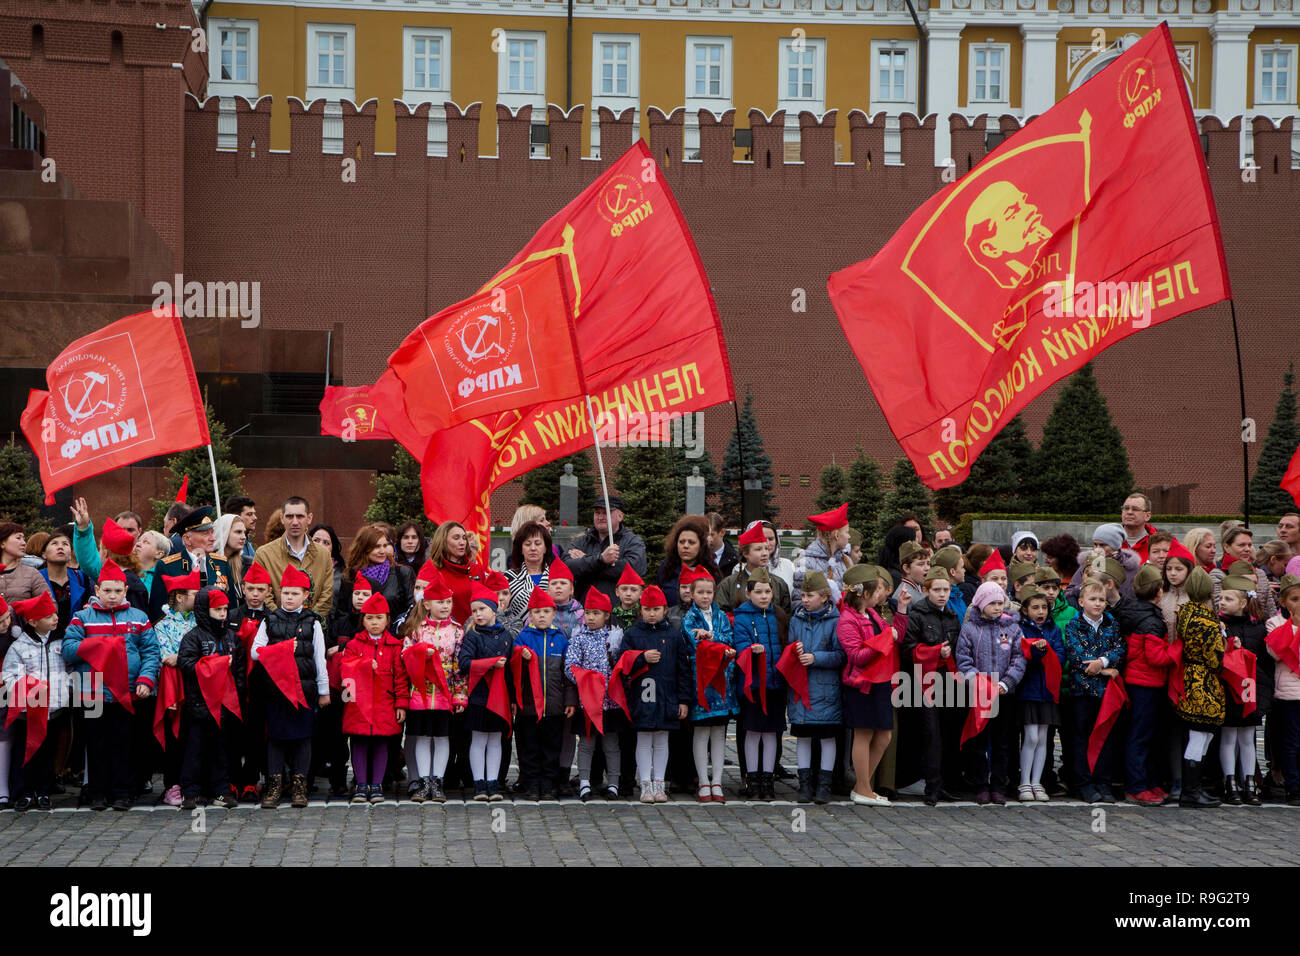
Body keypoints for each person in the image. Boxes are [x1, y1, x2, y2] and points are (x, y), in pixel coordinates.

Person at [62, 561, 160, 811]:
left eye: (118, 591)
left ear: (126, 590)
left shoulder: (139, 618)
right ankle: (97, 792)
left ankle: (123, 793)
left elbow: (151, 652)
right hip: (93, 692)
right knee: (95, 744)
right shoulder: (82, 618)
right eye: (107, 591)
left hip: (128, 693)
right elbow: (68, 650)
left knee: (124, 744)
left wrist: (145, 680)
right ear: (97, 589)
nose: (113, 596)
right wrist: (98, 646)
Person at [250, 565, 329, 810]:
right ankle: (274, 784)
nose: (289, 598)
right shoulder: (269, 620)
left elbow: (319, 657)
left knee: (302, 739)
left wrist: (324, 690)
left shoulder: (313, 622)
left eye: (295, 593)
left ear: (305, 595)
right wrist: (282, 650)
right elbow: (255, 651)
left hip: (303, 690)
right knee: (276, 738)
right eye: (285, 593)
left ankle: (299, 785)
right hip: (276, 690)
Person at [620, 585, 691, 803]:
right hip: (640, 698)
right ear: (641, 610)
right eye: (648, 609)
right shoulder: (632, 634)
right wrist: (641, 657)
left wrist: (684, 700)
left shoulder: (673, 635)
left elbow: (683, 669)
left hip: (666, 697)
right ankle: (645, 783)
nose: (652, 614)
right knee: (642, 739)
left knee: (662, 739)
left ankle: (659, 782)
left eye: (657, 609)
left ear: (665, 610)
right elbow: (623, 664)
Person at [957, 581, 1025, 805]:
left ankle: (998, 784)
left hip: (1004, 695)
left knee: (1001, 742)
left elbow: (1019, 657)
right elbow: (964, 660)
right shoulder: (969, 629)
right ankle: (980, 784)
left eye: (1000, 603)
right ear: (981, 604)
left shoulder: (1012, 628)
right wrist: (979, 682)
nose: (997, 607)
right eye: (992, 603)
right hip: (980, 695)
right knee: (978, 742)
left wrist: (1006, 683)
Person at [3, 592, 73, 811]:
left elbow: (69, 669)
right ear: (33, 621)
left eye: (55, 614)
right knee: (25, 751)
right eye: (48, 615)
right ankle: (23, 791)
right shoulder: (19, 647)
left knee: (48, 751)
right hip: (28, 711)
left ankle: (43, 790)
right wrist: (26, 687)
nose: (55, 618)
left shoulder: (61, 641)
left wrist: (66, 690)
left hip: (53, 709)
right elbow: (9, 675)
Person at [176, 588, 244, 810]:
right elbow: (186, 665)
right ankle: (191, 791)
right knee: (195, 750)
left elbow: (240, 671)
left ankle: (222, 790)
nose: (223, 614)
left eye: (225, 609)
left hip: (225, 706)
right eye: (217, 609)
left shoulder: (233, 637)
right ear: (205, 610)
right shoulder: (193, 637)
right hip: (200, 705)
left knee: (221, 751)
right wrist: (218, 664)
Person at [838, 565, 901, 806]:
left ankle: (861, 785)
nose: (880, 595)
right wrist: (885, 638)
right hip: (861, 684)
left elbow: (895, 636)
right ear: (864, 594)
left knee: (884, 735)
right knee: (863, 735)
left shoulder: (872, 614)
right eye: (876, 591)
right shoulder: (847, 619)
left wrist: (901, 615)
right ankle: (864, 788)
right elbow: (856, 655)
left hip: (880, 681)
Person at [401, 572, 466, 804]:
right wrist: (421, 653)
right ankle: (424, 780)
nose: (445, 606)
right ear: (427, 604)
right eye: (440, 602)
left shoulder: (458, 631)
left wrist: (460, 694)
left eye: (448, 601)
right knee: (422, 736)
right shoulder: (416, 630)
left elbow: (460, 665)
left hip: (444, 692)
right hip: (420, 692)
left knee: (441, 736)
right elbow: (404, 655)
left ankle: (438, 781)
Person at [338, 593, 408, 804]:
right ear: (363, 620)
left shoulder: (395, 647)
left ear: (387, 619)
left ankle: (376, 784)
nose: (374, 622)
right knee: (358, 743)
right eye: (369, 618)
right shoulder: (354, 645)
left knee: (380, 744)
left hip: (384, 704)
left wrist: (401, 704)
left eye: (379, 618)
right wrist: (364, 666)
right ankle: (361, 784)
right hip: (359, 705)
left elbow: (401, 678)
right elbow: (346, 671)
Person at [901, 565, 961, 806]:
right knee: (931, 734)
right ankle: (931, 787)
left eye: (946, 589)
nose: (942, 594)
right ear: (927, 590)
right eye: (937, 589)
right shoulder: (917, 614)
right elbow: (907, 649)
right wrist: (936, 652)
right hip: (925, 681)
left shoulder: (952, 615)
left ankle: (943, 783)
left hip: (948, 680)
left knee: (947, 732)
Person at [1061, 580, 1125, 804]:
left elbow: (1119, 648)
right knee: (1082, 738)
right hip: (1082, 691)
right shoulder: (1074, 625)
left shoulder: (1111, 623)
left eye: (1101, 600)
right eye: (1093, 599)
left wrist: (1103, 661)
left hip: (1105, 692)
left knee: (1105, 737)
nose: (1098, 604)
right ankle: (1084, 783)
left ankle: (1103, 782)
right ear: (1081, 602)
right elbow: (1077, 655)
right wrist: (1100, 668)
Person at [1117, 564, 1176, 806]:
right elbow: (1156, 658)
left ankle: (1147, 782)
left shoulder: (1131, 612)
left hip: (1135, 680)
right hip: (1147, 683)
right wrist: (1177, 648)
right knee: (1141, 736)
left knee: (1141, 735)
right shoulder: (1152, 620)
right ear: (1159, 591)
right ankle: (1137, 786)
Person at [785, 570, 844, 805]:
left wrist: (815, 658)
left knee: (827, 737)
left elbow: (841, 656)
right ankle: (805, 784)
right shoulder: (796, 619)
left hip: (826, 689)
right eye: (803, 595)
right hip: (802, 688)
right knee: (803, 736)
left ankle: (824, 785)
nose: (805, 600)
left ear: (825, 596)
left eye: (810, 595)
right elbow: (789, 646)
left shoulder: (835, 621)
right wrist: (794, 652)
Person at [512, 587, 577, 800]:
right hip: (528, 708)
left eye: (546, 612)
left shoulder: (561, 640)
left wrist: (570, 701)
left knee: (551, 747)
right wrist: (520, 659)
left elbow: (568, 675)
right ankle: (531, 784)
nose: (541, 616)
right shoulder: (522, 639)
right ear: (530, 615)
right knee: (528, 747)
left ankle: (549, 784)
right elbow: (513, 674)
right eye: (537, 612)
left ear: (553, 614)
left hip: (554, 707)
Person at [732, 571, 789, 802]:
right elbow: (740, 643)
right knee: (753, 731)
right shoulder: (743, 617)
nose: (763, 596)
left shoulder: (780, 615)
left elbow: (785, 641)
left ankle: (768, 778)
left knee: (773, 732)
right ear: (748, 593)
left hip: (776, 683)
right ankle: (752, 778)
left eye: (767, 592)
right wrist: (750, 649)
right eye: (758, 592)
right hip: (754, 685)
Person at [564, 587, 625, 801]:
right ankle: (584, 782)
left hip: (610, 704)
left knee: (611, 744)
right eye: (588, 612)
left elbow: (621, 667)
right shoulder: (578, 638)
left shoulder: (615, 637)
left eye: (596, 613)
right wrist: (587, 680)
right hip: (587, 702)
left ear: (606, 615)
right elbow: (570, 666)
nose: (590, 617)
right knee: (587, 743)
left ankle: (614, 783)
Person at [681, 569, 736, 803]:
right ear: (691, 594)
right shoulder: (689, 618)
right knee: (701, 731)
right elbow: (692, 640)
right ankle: (703, 780)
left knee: (719, 732)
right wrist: (709, 639)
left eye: (709, 592)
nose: (705, 597)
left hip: (721, 678)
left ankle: (718, 781)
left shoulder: (721, 616)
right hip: (701, 679)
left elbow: (728, 638)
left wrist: (710, 637)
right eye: (700, 592)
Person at [457, 583, 514, 801]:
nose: (477, 614)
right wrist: (490, 663)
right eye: (474, 610)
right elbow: (464, 663)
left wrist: (513, 699)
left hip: (500, 696)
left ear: (494, 609)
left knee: (496, 740)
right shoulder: (472, 636)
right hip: (479, 696)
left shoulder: (506, 635)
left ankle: (493, 782)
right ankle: (479, 783)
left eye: (482, 609)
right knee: (479, 740)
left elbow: (510, 670)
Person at [1219, 574, 1270, 806]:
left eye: (1228, 598)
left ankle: (1249, 783)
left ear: (1242, 603)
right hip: (1229, 688)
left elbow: (1264, 663)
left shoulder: (1259, 627)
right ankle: (1229, 782)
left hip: (1250, 689)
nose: (1221, 602)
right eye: (1220, 597)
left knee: (1248, 738)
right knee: (1229, 736)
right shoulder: (1220, 625)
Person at [1175, 567, 1224, 808]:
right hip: (1203, 679)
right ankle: (1192, 790)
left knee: (1198, 734)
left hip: (1188, 675)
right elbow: (1215, 658)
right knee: (1199, 735)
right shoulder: (1208, 621)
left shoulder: (1185, 612)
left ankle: (1194, 788)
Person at [152, 570, 200, 806]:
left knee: (194, 738)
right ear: (180, 597)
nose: (198, 597)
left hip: (197, 687)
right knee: (175, 739)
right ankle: (172, 784)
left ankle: (193, 782)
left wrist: (181, 658)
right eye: (194, 593)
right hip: (174, 690)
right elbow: (164, 656)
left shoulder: (199, 621)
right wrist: (182, 658)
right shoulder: (163, 625)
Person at [229, 561, 273, 802]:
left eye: (261, 590)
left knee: (258, 733)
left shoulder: (272, 618)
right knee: (235, 733)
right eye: (251, 589)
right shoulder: (232, 616)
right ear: (243, 589)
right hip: (235, 683)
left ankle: (251, 779)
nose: (255, 595)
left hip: (261, 685)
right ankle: (234, 779)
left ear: (268, 591)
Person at [1016, 585, 1064, 802]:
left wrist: (1050, 654)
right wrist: (1036, 652)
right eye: (1035, 607)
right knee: (1031, 736)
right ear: (1025, 610)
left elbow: (1061, 654)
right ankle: (1024, 781)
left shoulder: (1053, 630)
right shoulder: (1021, 629)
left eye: (1044, 607)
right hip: (1029, 689)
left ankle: (1037, 782)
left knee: (1044, 737)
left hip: (1048, 690)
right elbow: (1021, 656)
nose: (1041, 611)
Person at [251, 496, 334, 618]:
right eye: (290, 516)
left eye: (300, 516)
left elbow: (327, 595)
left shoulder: (323, 554)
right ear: (282, 518)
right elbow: (261, 594)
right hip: (276, 629)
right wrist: (281, 620)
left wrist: (310, 621)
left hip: (313, 629)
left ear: (309, 518)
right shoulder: (264, 554)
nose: (295, 522)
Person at [149, 507, 233, 622]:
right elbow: (157, 611)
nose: (213, 538)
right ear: (187, 539)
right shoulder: (168, 566)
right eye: (205, 534)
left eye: (212, 533)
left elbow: (231, 605)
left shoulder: (221, 563)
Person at [566, 496, 647, 604]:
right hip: (586, 612)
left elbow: (633, 570)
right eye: (597, 513)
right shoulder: (581, 542)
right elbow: (567, 567)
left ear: (620, 516)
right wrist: (601, 560)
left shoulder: (633, 542)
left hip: (618, 613)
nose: (600, 517)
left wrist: (586, 561)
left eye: (605, 513)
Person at [1265, 574, 1300, 805]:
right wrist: (1295, 626)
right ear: (1283, 602)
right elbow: (1276, 653)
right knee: (1292, 741)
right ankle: (1293, 786)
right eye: (1295, 599)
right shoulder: (1275, 623)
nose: (1299, 604)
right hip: (1289, 693)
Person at [342, 524, 415, 630]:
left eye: (385, 546)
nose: (382, 551)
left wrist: (401, 630)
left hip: (393, 639)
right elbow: (343, 613)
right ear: (364, 548)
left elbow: (412, 608)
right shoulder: (350, 576)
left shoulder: (402, 572)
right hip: (359, 639)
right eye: (377, 547)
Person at [717, 523, 793, 614]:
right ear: (746, 553)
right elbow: (719, 615)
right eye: (758, 549)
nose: (765, 553)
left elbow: (786, 618)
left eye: (766, 549)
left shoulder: (779, 584)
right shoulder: (729, 584)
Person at [1210, 527, 1277, 620]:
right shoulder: (1218, 575)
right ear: (1226, 547)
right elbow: (1220, 609)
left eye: (1249, 545)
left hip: (1262, 629)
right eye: (1241, 545)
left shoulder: (1260, 573)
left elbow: (1271, 609)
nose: (1247, 549)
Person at [36, 526, 92, 637]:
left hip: (75, 638)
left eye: (65, 544)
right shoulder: (35, 577)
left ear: (71, 554)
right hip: (45, 640)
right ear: (44, 554)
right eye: (54, 543)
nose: (60, 547)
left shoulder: (81, 578)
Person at [792, 503, 850, 605]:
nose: (849, 536)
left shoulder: (846, 560)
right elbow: (799, 602)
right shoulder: (806, 562)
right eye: (847, 532)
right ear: (836, 535)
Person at [656, 515, 720, 607]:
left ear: (701, 545)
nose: (685, 546)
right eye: (681, 542)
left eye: (691, 542)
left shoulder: (711, 570)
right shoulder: (666, 568)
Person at [430, 520, 485, 626]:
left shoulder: (477, 570)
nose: (462, 542)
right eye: (456, 538)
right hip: (444, 634)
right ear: (443, 541)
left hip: (476, 633)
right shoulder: (433, 572)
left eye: (464, 538)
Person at [504, 521, 555, 630]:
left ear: (545, 548)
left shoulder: (555, 577)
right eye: (527, 544)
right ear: (521, 549)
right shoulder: (508, 578)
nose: (533, 548)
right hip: (518, 639)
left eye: (538, 543)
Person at [0, 523, 48, 607]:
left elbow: (48, 605)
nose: (24, 543)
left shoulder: (32, 574)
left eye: (24, 539)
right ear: (2, 543)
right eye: (18, 538)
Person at [213, 513, 249, 602]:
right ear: (224, 533)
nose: (244, 537)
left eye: (244, 532)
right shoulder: (207, 564)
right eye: (238, 532)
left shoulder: (247, 564)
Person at [309, 524, 346, 604]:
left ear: (333, 548)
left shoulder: (343, 572)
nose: (320, 545)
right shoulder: (298, 567)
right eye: (316, 540)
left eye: (326, 543)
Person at [1120, 492, 1159, 562]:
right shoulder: (1107, 540)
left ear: (1147, 516)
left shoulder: (1160, 542)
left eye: (1135, 509)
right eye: (1126, 508)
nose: (1129, 512)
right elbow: (1097, 568)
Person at [892, 541, 930, 610]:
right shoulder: (903, 596)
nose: (927, 568)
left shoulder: (919, 587)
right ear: (906, 568)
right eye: (921, 564)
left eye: (928, 563)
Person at [224, 496, 258, 564]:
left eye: (254, 513)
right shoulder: (226, 547)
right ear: (235, 516)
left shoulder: (248, 543)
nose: (255, 518)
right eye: (249, 514)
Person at [706, 512, 739, 577]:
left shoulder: (735, 560)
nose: (708, 539)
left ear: (722, 532)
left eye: (711, 535)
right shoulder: (697, 557)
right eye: (705, 534)